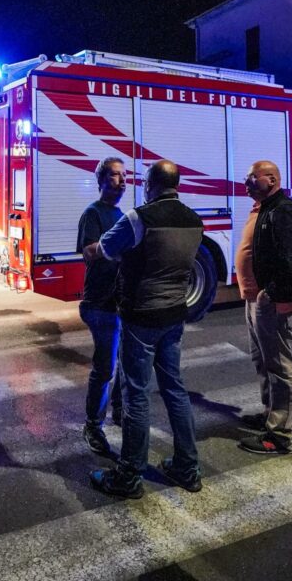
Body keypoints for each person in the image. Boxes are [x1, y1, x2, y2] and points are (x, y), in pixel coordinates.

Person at [84, 160, 204, 498]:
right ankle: (187, 467)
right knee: (175, 391)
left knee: (136, 394)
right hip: (174, 316)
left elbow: (105, 249)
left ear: (150, 184)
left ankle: (129, 475)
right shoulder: (194, 221)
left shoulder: (140, 217)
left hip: (141, 317)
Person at [234, 160, 292, 456]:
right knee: (263, 361)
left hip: (275, 302)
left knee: (279, 365)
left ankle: (280, 434)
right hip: (257, 298)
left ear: (271, 179)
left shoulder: (283, 211)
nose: (246, 181)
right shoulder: (263, 207)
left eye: (252, 177)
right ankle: (271, 416)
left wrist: (272, 294)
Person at [77, 156, 127, 458]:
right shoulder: (93, 214)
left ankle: (120, 412)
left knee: (124, 362)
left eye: (123, 176)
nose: (121, 181)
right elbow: (89, 251)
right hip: (100, 303)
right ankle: (93, 425)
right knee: (105, 367)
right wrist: (120, 246)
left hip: (120, 303)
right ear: (101, 180)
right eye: (114, 176)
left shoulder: (122, 214)